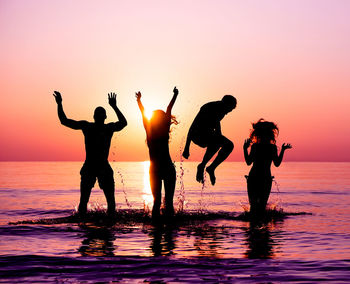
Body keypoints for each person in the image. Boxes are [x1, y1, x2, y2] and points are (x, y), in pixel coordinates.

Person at [53, 91, 127, 216]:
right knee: (100, 203)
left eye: (99, 115)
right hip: (92, 167)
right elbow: (64, 121)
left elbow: (64, 121)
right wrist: (114, 106)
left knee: (94, 203)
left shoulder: (93, 127)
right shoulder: (96, 127)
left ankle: (87, 225)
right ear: (103, 117)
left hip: (97, 167)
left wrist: (59, 104)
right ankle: (106, 226)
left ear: (97, 117)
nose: (98, 117)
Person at [136, 87, 178, 220]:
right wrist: (175, 95)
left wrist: (139, 101)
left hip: (156, 169)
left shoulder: (149, 131)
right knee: (167, 203)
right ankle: (169, 231)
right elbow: (168, 108)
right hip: (166, 168)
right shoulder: (162, 131)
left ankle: (156, 232)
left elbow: (143, 113)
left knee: (157, 202)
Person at [182, 95, 237, 185]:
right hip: (197, 136)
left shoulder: (220, 112)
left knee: (228, 145)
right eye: (229, 109)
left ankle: (211, 168)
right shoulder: (209, 107)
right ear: (225, 104)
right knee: (218, 141)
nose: (228, 112)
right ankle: (202, 166)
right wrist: (186, 148)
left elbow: (218, 131)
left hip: (208, 135)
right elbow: (192, 127)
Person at [243, 119, 292, 218]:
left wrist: (245, 149)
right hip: (265, 178)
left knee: (253, 207)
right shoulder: (271, 147)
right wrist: (282, 150)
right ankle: (263, 230)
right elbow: (277, 163)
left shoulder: (255, 146)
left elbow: (248, 162)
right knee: (261, 206)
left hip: (254, 177)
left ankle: (252, 230)